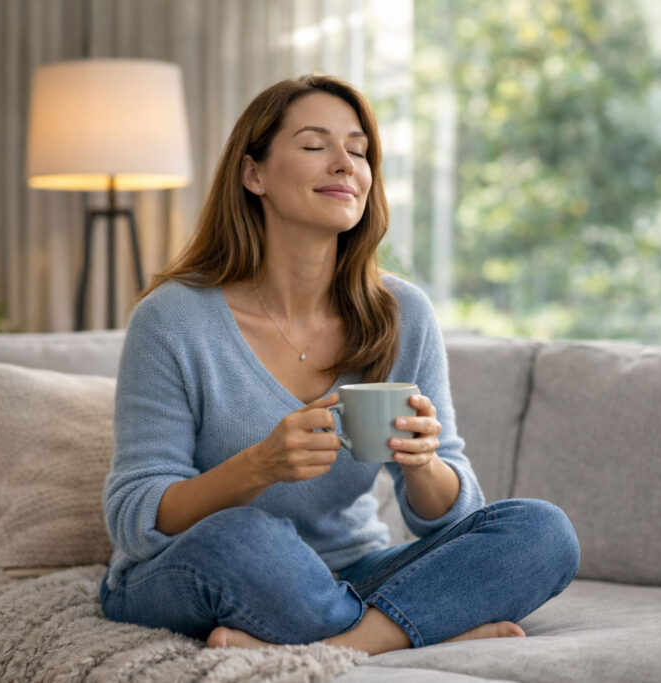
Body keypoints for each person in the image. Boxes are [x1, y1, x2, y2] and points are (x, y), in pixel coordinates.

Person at [100, 74, 580, 654]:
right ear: (253, 175)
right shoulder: (173, 318)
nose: (344, 164)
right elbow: (136, 517)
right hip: (194, 569)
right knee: (244, 538)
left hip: (350, 572)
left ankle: (344, 642)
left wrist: (424, 462)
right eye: (313, 146)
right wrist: (259, 466)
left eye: (358, 150)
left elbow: (450, 519)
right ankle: (418, 628)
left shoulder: (402, 312)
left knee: (541, 530)